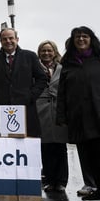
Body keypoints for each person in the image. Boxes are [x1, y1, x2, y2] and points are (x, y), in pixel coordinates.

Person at [57, 26, 100, 201]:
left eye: (84, 36)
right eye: (77, 37)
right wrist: (61, 116)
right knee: (85, 153)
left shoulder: (98, 60)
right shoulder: (68, 64)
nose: (81, 39)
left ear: (91, 39)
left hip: (97, 115)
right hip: (78, 116)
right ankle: (92, 186)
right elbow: (62, 92)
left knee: (98, 153)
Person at [0, 28, 47, 137]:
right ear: (1, 41)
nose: (8, 41)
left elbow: (42, 78)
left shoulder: (30, 56)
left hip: (26, 109)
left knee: (27, 143)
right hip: (2, 110)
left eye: (11, 38)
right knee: (4, 145)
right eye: (4, 39)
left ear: (17, 39)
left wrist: (31, 96)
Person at [36, 40, 68, 192]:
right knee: (45, 147)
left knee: (60, 147)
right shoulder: (35, 68)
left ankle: (61, 181)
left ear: (54, 52)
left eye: (49, 50)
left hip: (58, 109)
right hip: (41, 109)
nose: (46, 53)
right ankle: (48, 179)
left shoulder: (63, 68)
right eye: (43, 51)